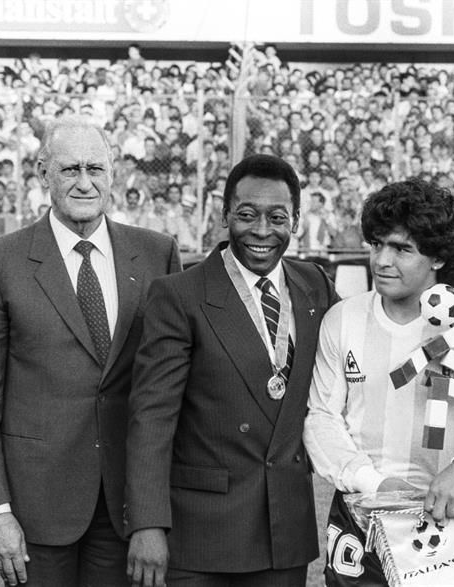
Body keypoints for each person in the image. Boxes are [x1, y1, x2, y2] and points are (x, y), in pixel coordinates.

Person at [0, 116, 181, 587]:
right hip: (34, 507)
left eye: (95, 169)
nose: (84, 182)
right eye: (69, 169)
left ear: (113, 172)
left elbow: (170, 387)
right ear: (43, 173)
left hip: (126, 505)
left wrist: (154, 511)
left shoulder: (157, 253)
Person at [304, 178, 454, 586]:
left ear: (437, 257)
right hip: (360, 518)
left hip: (449, 523)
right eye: (377, 244)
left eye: (401, 249)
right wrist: (374, 483)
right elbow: (321, 419)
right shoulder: (343, 318)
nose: (382, 260)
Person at [125, 154, 339, 587]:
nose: (261, 230)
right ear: (224, 216)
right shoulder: (179, 295)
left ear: (296, 221)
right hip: (200, 536)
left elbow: (363, 343)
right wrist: (147, 523)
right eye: (246, 215)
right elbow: (151, 417)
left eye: (277, 217)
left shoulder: (314, 284)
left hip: (284, 531)